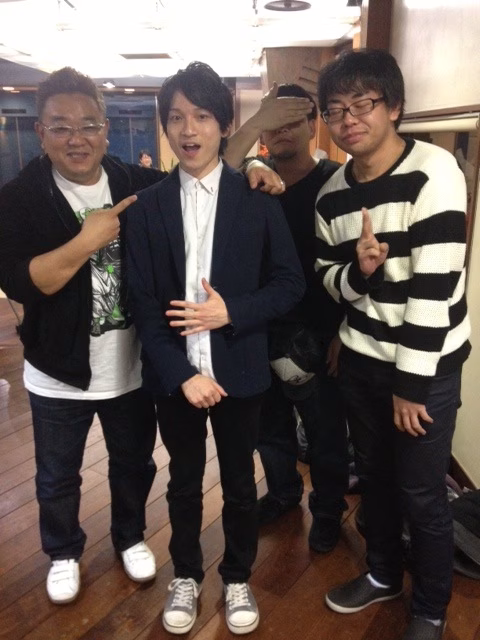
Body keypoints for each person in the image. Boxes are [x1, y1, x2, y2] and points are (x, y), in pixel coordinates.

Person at [0, 66, 279, 607]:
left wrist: (254, 167)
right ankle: (63, 551)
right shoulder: (19, 198)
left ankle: (129, 537)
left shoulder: (136, 184)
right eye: (60, 126)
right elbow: (22, 282)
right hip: (58, 368)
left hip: (130, 365)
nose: (76, 138)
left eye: (88, 125)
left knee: (133, 463)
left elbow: (200, 179)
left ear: (105, 129)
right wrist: (86, 240)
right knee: (58, 475)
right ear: (40, 132)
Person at [125, 61, 305, 635]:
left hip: (239, 370)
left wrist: (233, 311)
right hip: (176, 377)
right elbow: (143, 305)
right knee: (182, 482)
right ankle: (185, 574)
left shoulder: (257, 197)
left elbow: (290, 283)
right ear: (165, 126)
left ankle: (236, 576)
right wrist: (183, 375)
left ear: (225, 125)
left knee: (239, 484)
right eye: (176, 117)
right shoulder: (147, 207)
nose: (189, 129)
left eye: (202, 116)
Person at [315, 49, 471, 640]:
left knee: (422, 493)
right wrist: (359, 274)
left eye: (363, 103)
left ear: (395, 107)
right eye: (336, 109)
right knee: (376, 480)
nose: (348, 119)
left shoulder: (435, 171)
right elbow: (327, 279)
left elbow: (435, 290)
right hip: (362, 361)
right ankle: (382, 573)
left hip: (426, 370)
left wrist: (411, 386)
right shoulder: (332, 193)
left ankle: (430, 608)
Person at [229, 83, 350, 552]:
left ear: (312, 123)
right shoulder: (253, 181)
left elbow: (354, 264)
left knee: (325, 434)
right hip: (261, 328)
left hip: (321, 331)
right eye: (271, 122)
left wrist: (344, 332)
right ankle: (283, 494)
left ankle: (328, 510)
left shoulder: (337, 182)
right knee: (269, 427)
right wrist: (251, 160)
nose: (280, 131)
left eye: (291, 120)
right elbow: (216, 171)